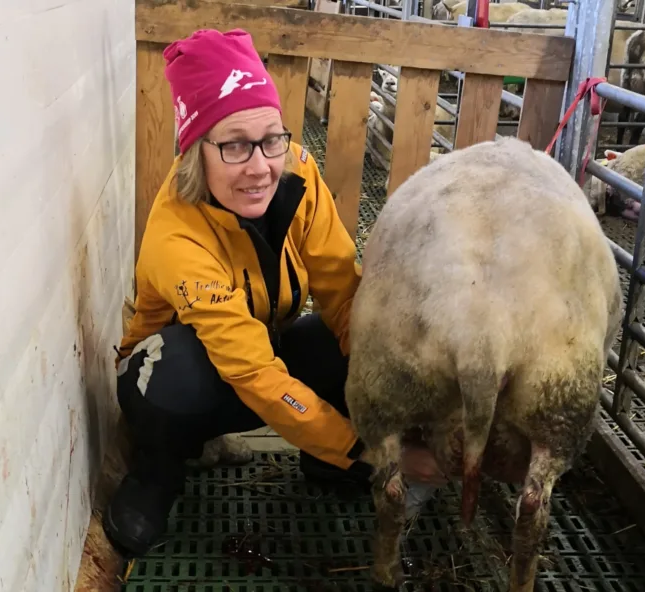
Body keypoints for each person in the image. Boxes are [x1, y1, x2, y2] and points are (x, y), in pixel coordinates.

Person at [103, 28, 444, 558]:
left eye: (271, 138)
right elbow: (256, 376)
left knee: (350, 337)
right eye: (234, 144)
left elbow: (341, 292)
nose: (260, 166)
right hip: (184, 375)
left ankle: (324, 456)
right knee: (177, 377)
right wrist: (379, 454)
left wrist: (391, 404)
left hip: (263, 347)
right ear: (197, 151)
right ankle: (157, 470)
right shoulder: (178, 236)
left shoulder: (299, 178)